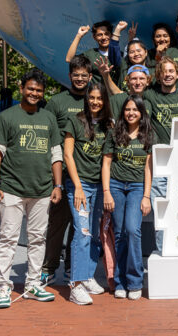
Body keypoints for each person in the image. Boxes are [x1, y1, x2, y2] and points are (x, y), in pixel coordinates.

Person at [0, 69, 62, 309]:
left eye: (38, 90)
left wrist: (57, 185)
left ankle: (32, 286)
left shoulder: (48, 118)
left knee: (37, 239)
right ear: (22, 89)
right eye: (30, 88)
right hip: (11, 188)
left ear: (43, 94)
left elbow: (56, 154)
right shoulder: (6, 117)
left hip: (42, 190)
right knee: (8, 239)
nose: (34, 93)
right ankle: (3, 287)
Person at [41, 55, 92, 286]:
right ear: (70, 76)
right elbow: (48, 134)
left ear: (90, 76)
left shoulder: (94, 100)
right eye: (76, 75)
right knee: (57, 222)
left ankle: (72, 267)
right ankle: (49, 268)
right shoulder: (57, 102)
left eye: (84, 75)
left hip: (86, 172)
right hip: (61, 171)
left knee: (78, 223)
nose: (80, 79)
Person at [63, 82, 112, 305]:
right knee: (81, 233)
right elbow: (68, 155)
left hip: (98, 186)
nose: (95, 101)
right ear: (87, 99)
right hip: (79, 185)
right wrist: (78, 187)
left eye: (99, 98)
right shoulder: (75, 120)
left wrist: (105, 190)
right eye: (91, 97)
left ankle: (88, 275)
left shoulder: (107, 125)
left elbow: (106, 161)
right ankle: (75, 284)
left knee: (94, 233)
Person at [102, 95, 153, 300]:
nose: (131, 113)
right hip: (115, 185)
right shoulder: (115, 134)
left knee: (133, 230)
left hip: (136, 187)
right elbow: (106, 164)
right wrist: (106, 191)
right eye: (127, 109)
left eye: (135, 109)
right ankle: (121, 281)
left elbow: (149, 168)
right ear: (123, 112)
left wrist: (146, 196)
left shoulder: (148, 135)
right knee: (120, 233)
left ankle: (135, 281)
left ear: (141, 113)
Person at [143, 56, 178, 251]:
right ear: (159, 76)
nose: (168, 75)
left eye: (171, 71)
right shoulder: (150, 96)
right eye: (164, 72)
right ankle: (163, 250)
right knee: (162, 211)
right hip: (161, 162)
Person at [65, 20, 127, 86]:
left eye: (106, 34)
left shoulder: (120, 55)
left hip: (117, 95)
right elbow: (69, 59)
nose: (103, 37)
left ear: (111, 35)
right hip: (98, 95)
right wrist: (79, 35)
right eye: (100, 35)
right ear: (94, 37)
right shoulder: (90, 55)